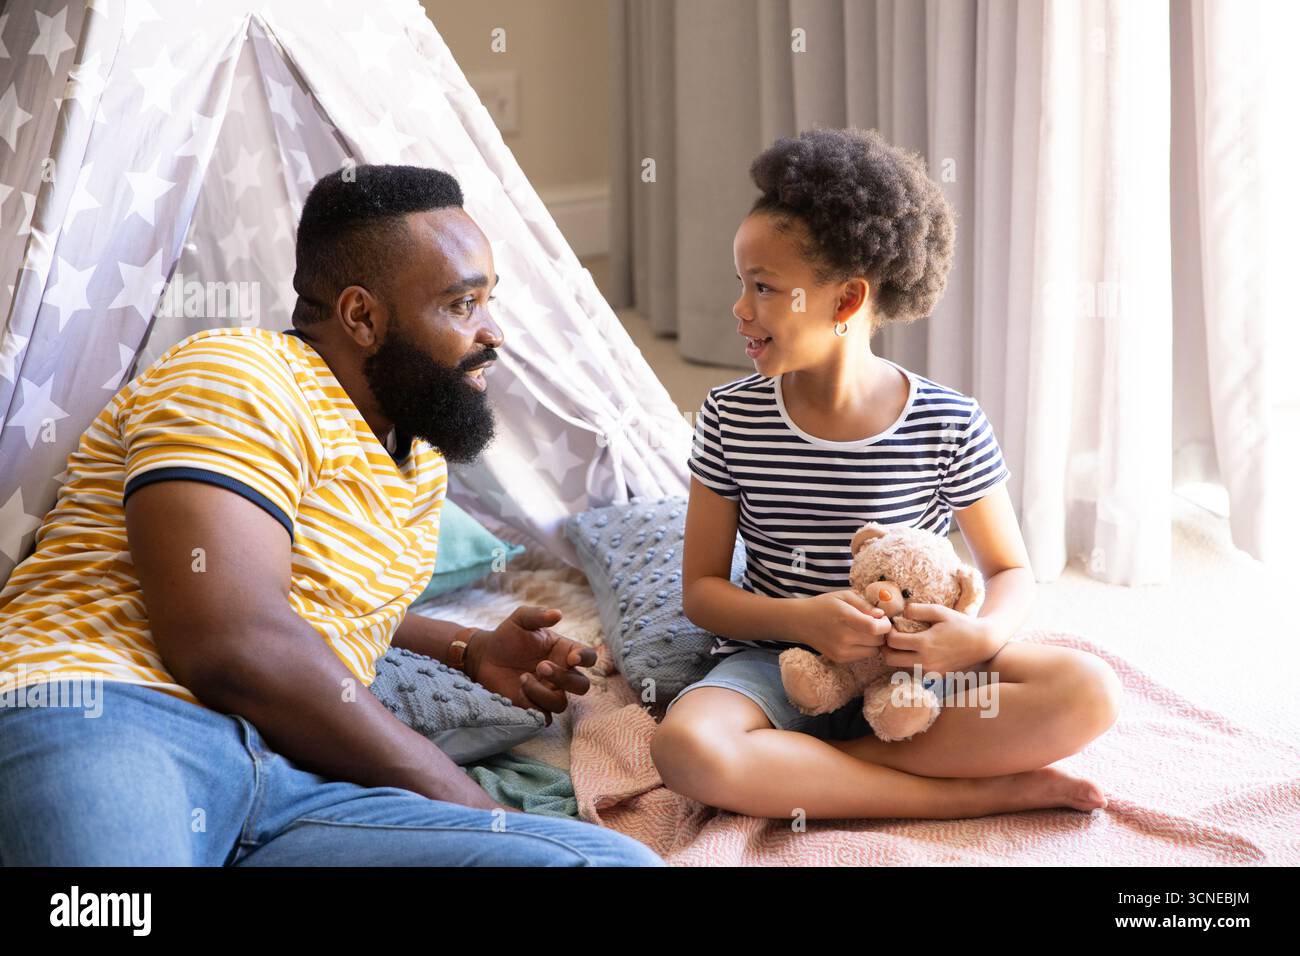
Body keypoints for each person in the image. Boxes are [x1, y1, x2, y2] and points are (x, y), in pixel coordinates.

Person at [0, 164, 664, 867]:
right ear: (362, 316)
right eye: (463, 303)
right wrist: (465, 802)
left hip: (297, 782)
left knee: (615, 865)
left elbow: (305, 599)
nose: (493, 332)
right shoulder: (239, 375)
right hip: (112, 717)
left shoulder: (413, 457)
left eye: (488, 300)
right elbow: (230, 639)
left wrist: (466, 650)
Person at [650, 128, 1123, 820]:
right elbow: (703, 592)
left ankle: (806, 771)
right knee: (685, 749)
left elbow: (1010, 573)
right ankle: (971, 795)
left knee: (1090, 691)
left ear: (845, 302)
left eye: (764, 287)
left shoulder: (948, 421)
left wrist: (980, 636)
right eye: (741, 284)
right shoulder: (729, 416)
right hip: (781, 667)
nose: (740, 309)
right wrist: (803, 620)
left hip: (915, 677)